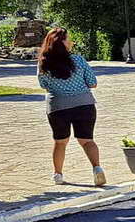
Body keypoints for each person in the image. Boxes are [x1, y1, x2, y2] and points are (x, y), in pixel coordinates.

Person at [36, 27, 106, 186]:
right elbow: (93, 83)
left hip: (58, 106)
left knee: (60, 142)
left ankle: (58, 175)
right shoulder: (78, 60)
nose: (72, 42)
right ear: (61, 42)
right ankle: (97, 169)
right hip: (84, 104)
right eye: (69, 39)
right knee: (87, 140)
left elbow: (43, 85)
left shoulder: (44, 63)